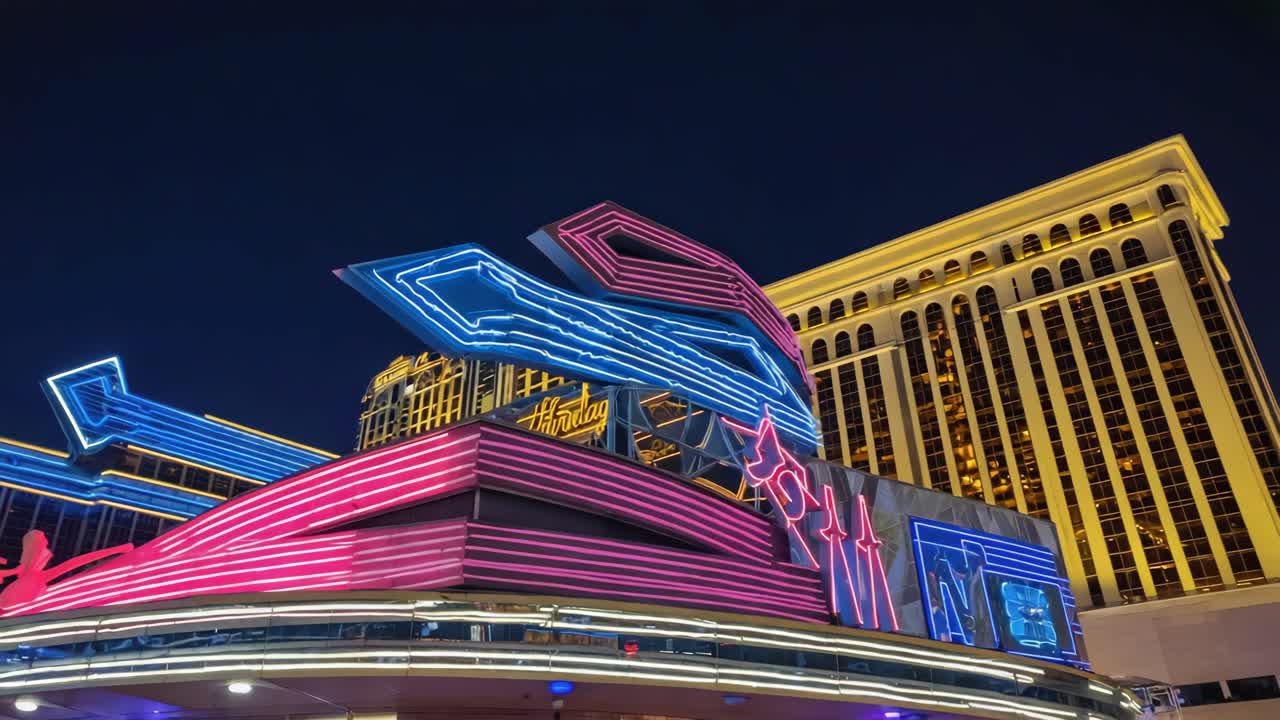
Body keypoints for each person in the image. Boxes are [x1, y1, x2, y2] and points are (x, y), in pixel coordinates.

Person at [0, 530, 132, 610]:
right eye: (45, 544)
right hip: (19, 603)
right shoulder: (31, 574)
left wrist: (119, 549)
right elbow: (75, 562)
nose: (47, 548)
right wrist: (119, 549)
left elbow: (76, 562)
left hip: (13, 601)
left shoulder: (23, 570)